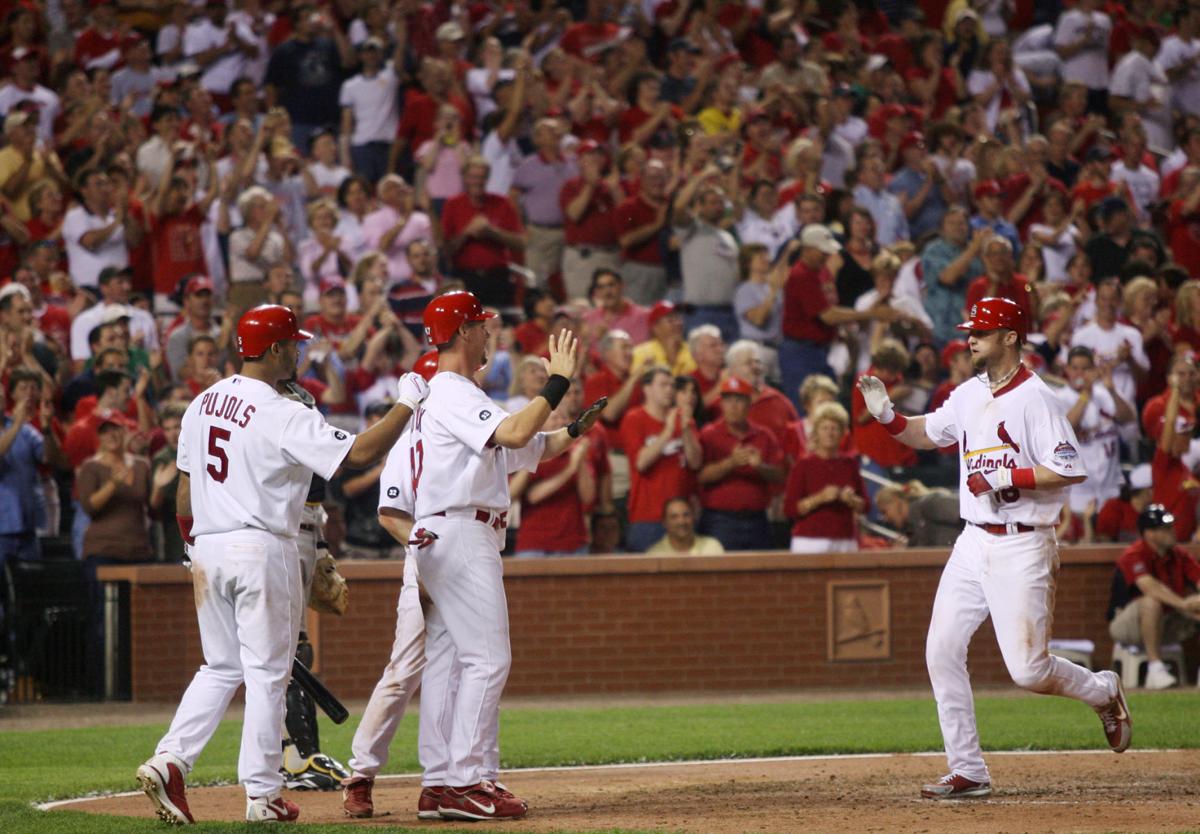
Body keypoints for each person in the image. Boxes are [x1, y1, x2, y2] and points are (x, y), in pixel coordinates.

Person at [136, 304, 427, 825]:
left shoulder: (202, 402)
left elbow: (184, 488)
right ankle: (264, 794)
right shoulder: (282, 410)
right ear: (273, 349)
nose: (298, 351)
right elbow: (358, 454)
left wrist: (191, 547)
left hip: (206, 547)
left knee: (220, 666)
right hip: (259, 545)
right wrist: (406, 402)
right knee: (268, 674)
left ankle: (170, 759)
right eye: (293, 344)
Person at [856, 295, 1132, 800]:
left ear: (1010, 337)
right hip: (972, 540)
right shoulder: (967, 393)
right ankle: (968, 769)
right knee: (940, 650)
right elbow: (928, 434)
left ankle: (1103, 691)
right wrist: (889, 417)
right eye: (970, 332)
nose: (970, 339)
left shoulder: (1038, 399)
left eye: (980, 333)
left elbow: (1070, 467)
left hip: (1024, 544)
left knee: (1029, 671)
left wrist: (1008, 473)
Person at [405, 292, 602, 820]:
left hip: (449, 532)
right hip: (461, 532)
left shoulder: (454, 395)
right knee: (488, 660)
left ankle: (441, 782)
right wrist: (555, 384)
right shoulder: (450, 390)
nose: (487, 333)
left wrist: (575, 427)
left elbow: (527, 446)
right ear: (462, 332)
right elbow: (516, 430)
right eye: (480, 325)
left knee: (450, 663)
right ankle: (466, 781)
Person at [342, 353, 441, 818]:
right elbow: (390, 514)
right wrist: (422, 546)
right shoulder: (408, 442)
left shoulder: (471, 434)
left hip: (470, 561)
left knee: (470, 669)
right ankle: (360, 774)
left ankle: (458, 778)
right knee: (404, 672)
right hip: (427, 560)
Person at [1108, 505, 1200, 690]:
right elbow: (1150, 587)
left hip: (1170, 619)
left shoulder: (1179, 555)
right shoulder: (1134, 554)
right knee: (1152, 603)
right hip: (1127, 625)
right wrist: (1184, 604)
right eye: (1165, 529)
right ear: (1150, 533)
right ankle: (1155, 669)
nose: (1172, 532)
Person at [696, 376, 784, 551]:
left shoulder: (763, 435)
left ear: (749, 403)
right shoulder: (709, 434)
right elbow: (701, 476)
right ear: (721, 404)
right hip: (719, 520)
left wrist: (761, 467)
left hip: (757, 519)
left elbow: (781, 475)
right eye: (728, 401)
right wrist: (731, 463)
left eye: (739, 400)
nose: (733, 407)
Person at [621, 365, 702, 552]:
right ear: (647, 389)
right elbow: (641, 463)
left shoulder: (685, 420)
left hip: (682, 517)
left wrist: (686, 429)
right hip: (648, 516)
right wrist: (667, 432)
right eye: (663, 385)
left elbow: (695, 462)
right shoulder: (634, 419)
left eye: (672, 385)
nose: (669, 390)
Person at [784, 401, 866, 553]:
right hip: (809, 541)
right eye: (824, 428)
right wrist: (820, 498)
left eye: (835, 428)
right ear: (816, 432)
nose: (829, 433)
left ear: (843, 433)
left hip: (845, 539)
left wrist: (852, 500)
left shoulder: (850, 464)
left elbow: (865, 505)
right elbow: (789, 509)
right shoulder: (804, 464)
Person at [875, 481, 964, 547]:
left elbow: (967, 512)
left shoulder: (930, 504)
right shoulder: (910, 533)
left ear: (897, 502)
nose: (885, 519)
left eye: (884, 511)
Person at [646, 497, 725, 555]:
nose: (681, 522)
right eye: (674, 517)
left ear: (694, 518)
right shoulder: (654, 554)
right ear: (664, 523)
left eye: (686, 515)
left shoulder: (712, 547)